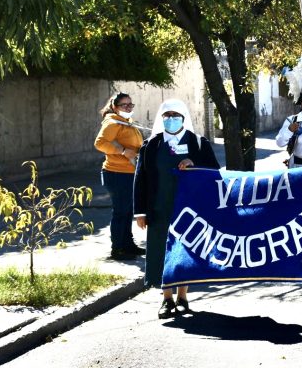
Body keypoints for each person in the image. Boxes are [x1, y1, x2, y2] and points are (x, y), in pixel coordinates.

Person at [133, 99, 220, 319]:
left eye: (176, 115)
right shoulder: (152, 145)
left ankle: (183, 297)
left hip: (190, 210)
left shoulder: (199, 143)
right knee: (161, 252)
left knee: (186, 251)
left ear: (184, 118)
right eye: (167, 115)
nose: (171, 119)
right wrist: (140, 212)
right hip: (159, 208)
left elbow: (214, 173)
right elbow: (140, 178)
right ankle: (166, 299)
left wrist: (194, 163)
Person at [94, 92, 145, 260]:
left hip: (129, 173)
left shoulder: (126, 122)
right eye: (125, 105)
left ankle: (128, 245)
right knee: (121, 211)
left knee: (128, 211)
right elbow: (100, 143)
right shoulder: (112, 123)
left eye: (131, 104)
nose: (129, 107)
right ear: (115, 107)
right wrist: (122, 151)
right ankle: (118, 248)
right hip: (117, 173)